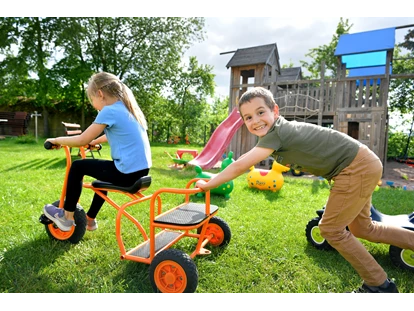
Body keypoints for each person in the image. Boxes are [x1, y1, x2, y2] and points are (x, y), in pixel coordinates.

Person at [196, 86, 414, 293]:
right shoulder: (277, 133)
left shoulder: (278, 132)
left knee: (330, 229)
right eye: (248, 117)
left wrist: (210, 182)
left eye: (260, 112)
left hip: (355, 167)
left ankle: (379, 286)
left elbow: (241, 164)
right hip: (363, 163)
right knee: (362, 229)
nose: (255, 121)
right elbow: (248, 158)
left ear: (275, 111)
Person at [43, 71, 152, 232]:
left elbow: (81, 140)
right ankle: (89, 220)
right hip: (141, 172)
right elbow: (117, 135)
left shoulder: (110, 110)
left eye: (92, 100)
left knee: (78, 166)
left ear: (100, 94)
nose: (94, 105)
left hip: (126, 173)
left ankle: (66, 218)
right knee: (102, 174)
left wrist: (56, 140)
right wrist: (95, 142)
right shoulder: (128, 109)